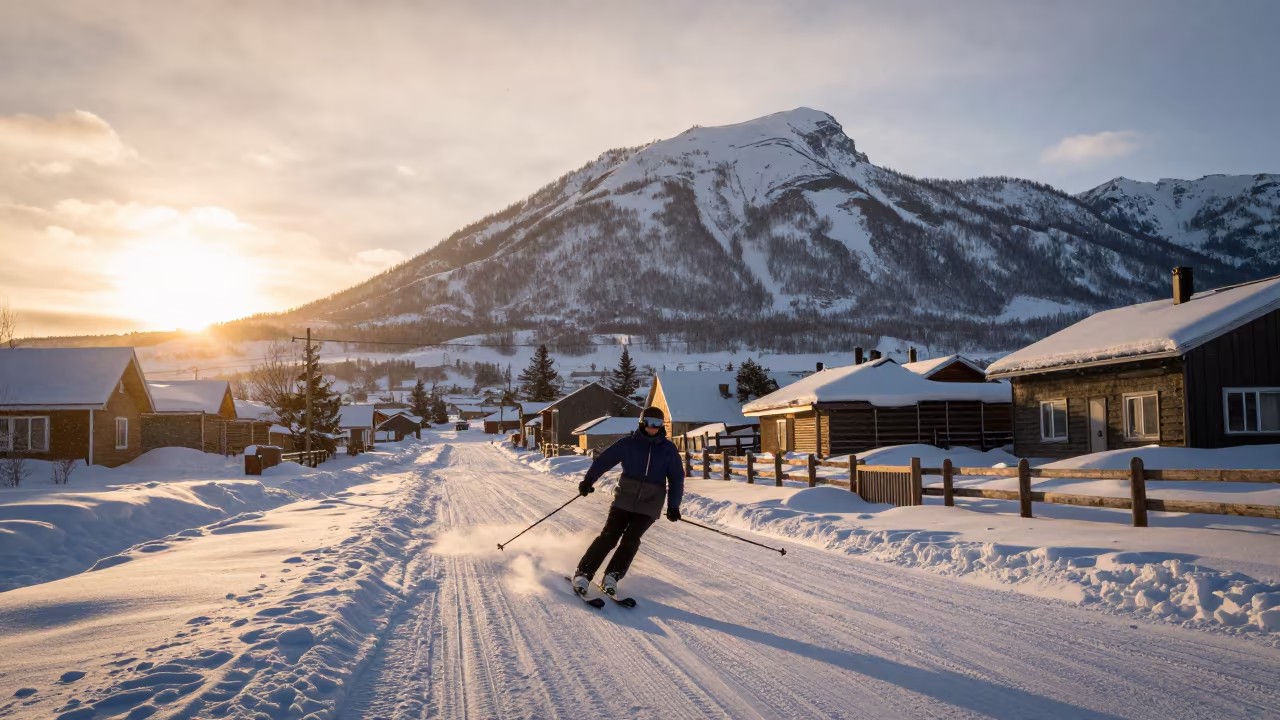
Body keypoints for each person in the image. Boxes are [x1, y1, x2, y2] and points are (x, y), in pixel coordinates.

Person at [572, 406, 684, 597]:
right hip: (625, 497)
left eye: (657, 424)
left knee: (631, 539)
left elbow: (677, 478)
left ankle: (612, 576)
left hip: (651, 502)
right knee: (610, 535)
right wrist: (589, 480)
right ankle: (584, 573)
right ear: (642, 423)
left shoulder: (668, 450)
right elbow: (604, 461)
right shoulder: (628, 444)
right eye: (649, 423)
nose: (653, 427)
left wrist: (674, 506)